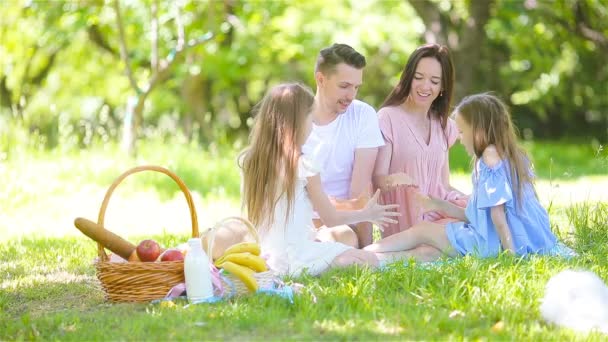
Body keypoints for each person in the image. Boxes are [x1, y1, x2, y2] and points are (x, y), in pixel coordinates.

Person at [364, 93, 559, 260]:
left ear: (479, 132)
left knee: (421, 231)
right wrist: (439, 205)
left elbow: (497, 215)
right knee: (426, 240)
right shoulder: (515, 156)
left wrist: (510, 256)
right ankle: (368, 257)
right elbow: (478, 216)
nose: (459, 137)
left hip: (494, 243)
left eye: (462, 131)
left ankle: (364, 253)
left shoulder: (489, 160)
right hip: (521, 239)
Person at [239, 82, 400, 276]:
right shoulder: (304, 165)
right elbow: (330, 218)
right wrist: (366, 214)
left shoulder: (249, 161)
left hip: (266, 256)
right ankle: (416, 259)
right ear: (297, 122)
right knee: (365, 259)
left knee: (341, 242)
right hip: (297, 257)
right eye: (310, 118)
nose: (312, 125)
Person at [373, 43, 467, 239]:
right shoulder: (387, 118)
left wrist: (470, 202)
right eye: (418, 78)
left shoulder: (444, 125)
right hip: (407, 221)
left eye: (434, 81)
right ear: (408, 78)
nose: (425, 86)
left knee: (486, 215)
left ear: (443, 87)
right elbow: (377, 179)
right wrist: (393, 179)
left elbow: (444, 185)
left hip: (438, 212)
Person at [302, 43, 384, 248]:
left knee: (341, 239)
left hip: (344, 223)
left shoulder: (363, 115)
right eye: (344, 86)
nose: (351, 95)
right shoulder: (297, 119)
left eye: (356, 87)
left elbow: (361, 192)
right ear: (321, 79)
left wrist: (367, 249)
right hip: (301, 221)